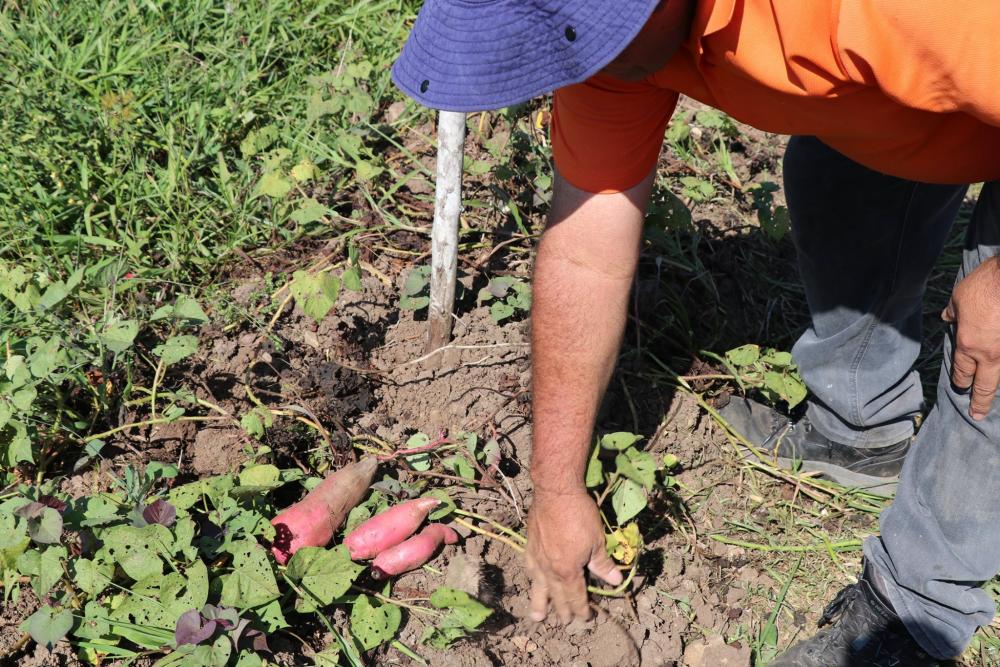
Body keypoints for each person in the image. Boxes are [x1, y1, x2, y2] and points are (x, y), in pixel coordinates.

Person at [391, 1, 1000, 664]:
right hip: (936, 88)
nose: (575, 56)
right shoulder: (603, 40)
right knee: (835, 173)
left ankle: (912, 616)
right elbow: (584, 254)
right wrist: (557, 487)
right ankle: (859, 433)